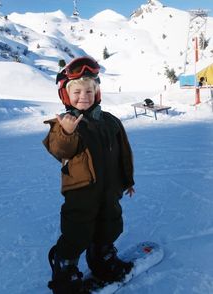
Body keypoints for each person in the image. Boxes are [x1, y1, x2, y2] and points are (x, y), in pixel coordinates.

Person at [43, 56, 135, 294]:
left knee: (111, 225)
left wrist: (128, 180)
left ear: (97, 93)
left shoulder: (110, 122)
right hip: (80, 193)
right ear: (66, 95)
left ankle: (103, 257)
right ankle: (65, 268)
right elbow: (59, 149)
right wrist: (67, 132)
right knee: (77, 232)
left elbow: (124, 152)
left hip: (110, 189)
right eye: (77, 92)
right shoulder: (64, 124)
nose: (83, 96)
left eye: (89, 90)